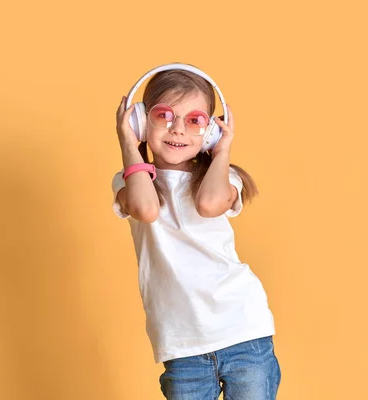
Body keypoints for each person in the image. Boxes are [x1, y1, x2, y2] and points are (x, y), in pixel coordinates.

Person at [111, 64, 281, 399]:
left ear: (212, 131)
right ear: (142, 122)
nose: (177, 129)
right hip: (182, 345)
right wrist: (128, 143)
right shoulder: (131, 182)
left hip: (243, 330)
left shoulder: (223, 177)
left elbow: (208, 204)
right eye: (163, 115)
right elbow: (146, 210)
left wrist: (223, 150)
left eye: (195, 121)